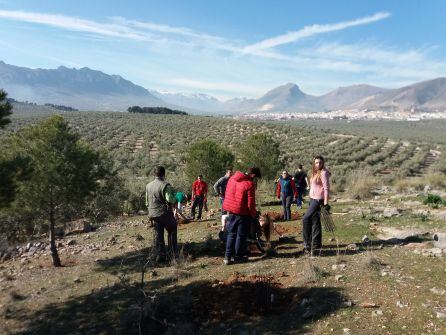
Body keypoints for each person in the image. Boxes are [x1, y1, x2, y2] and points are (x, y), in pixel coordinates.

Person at [222, 167, 261, 265]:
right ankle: (238, 256)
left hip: (230, 211)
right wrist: (254, 214)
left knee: (231, 233)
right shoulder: (249, 184)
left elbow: (227, 193)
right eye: (255, 178)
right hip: (242, 213)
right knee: (241, 235)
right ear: (253, 175)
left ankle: (227, 257)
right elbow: (250, 203)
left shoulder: (232, 179)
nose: (255, 180)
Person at [145, 166, 178, 262]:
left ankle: (160, 256)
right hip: (164, 213)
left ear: (154, 174)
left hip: (153, 214)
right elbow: (170, 199)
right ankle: (172, 255)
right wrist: (175, 199)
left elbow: (147, 202)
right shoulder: (165, 185)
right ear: (164, 174)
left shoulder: (148, 185)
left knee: (158, 235)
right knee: (172, 230)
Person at [302, 156, 330, 254]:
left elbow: (326, 189)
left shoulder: (324, 173)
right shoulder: (314, 173)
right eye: (316, 162)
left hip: (318, 200)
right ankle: (317, 243)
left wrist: (326, 203)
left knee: (305, 219)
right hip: (312, 198)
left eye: (320, 163)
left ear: (323, 163)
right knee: (315, 221)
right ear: (314, 163)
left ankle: (307, 244)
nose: (318, 164)